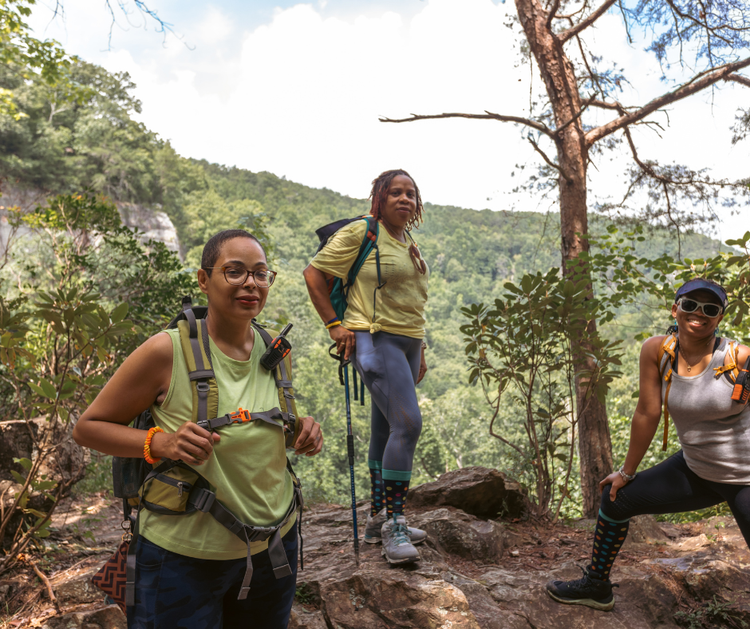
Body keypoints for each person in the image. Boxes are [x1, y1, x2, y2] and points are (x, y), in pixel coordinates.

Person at [73, 229, 323, 629]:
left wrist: (302, 430)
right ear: (204, 280)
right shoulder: (166, 351)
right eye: (235, 272)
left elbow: (270, 427)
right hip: (182, 557)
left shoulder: (273, 348)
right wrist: (164, 442)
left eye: (261, 274)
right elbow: (88, 428)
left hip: (273, 546)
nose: (250, 284)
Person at [546, 277, 750, 611]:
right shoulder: (658, 350)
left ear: (720, 318)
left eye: (710, 309)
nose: (699, 313)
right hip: (695, 469)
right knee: (615, 498)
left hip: (744, 478)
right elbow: (646, 412)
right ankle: (596, 586)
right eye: (690, 305)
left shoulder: (739, 358)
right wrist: (626, 473)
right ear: (675, 308)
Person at [303, 169, 429, 565]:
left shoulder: (406, 239)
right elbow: (313, 275)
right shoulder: (363, 232)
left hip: (407, 342)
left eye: (410, 193)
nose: (404, 199)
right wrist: (334, 326)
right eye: (395, 192)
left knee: (387, 426)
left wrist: (420, 349)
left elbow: (411, 300)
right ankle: (395, 523)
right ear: (380, 196)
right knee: (408, 425)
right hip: (375, 340)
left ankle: (378, 518)